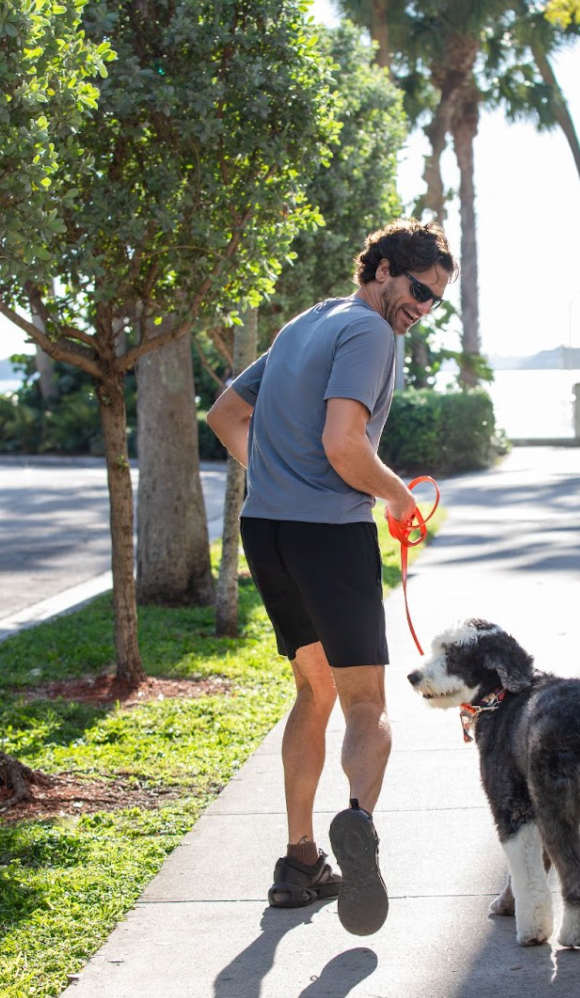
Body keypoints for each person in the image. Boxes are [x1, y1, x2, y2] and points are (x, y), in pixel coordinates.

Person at [206, 219, 454, 936]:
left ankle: (300, 861)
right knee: (366, 706)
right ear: (379, 269)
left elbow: (225, 414)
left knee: (312, 690)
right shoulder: (372, 334)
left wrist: (281, 479)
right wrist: (401, 498)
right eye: (416, 290)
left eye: (434, 300)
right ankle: (358, 823)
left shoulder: (304, 324)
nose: (420, 309)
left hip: (270, 529)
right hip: (329, 535)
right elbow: (344, 446)